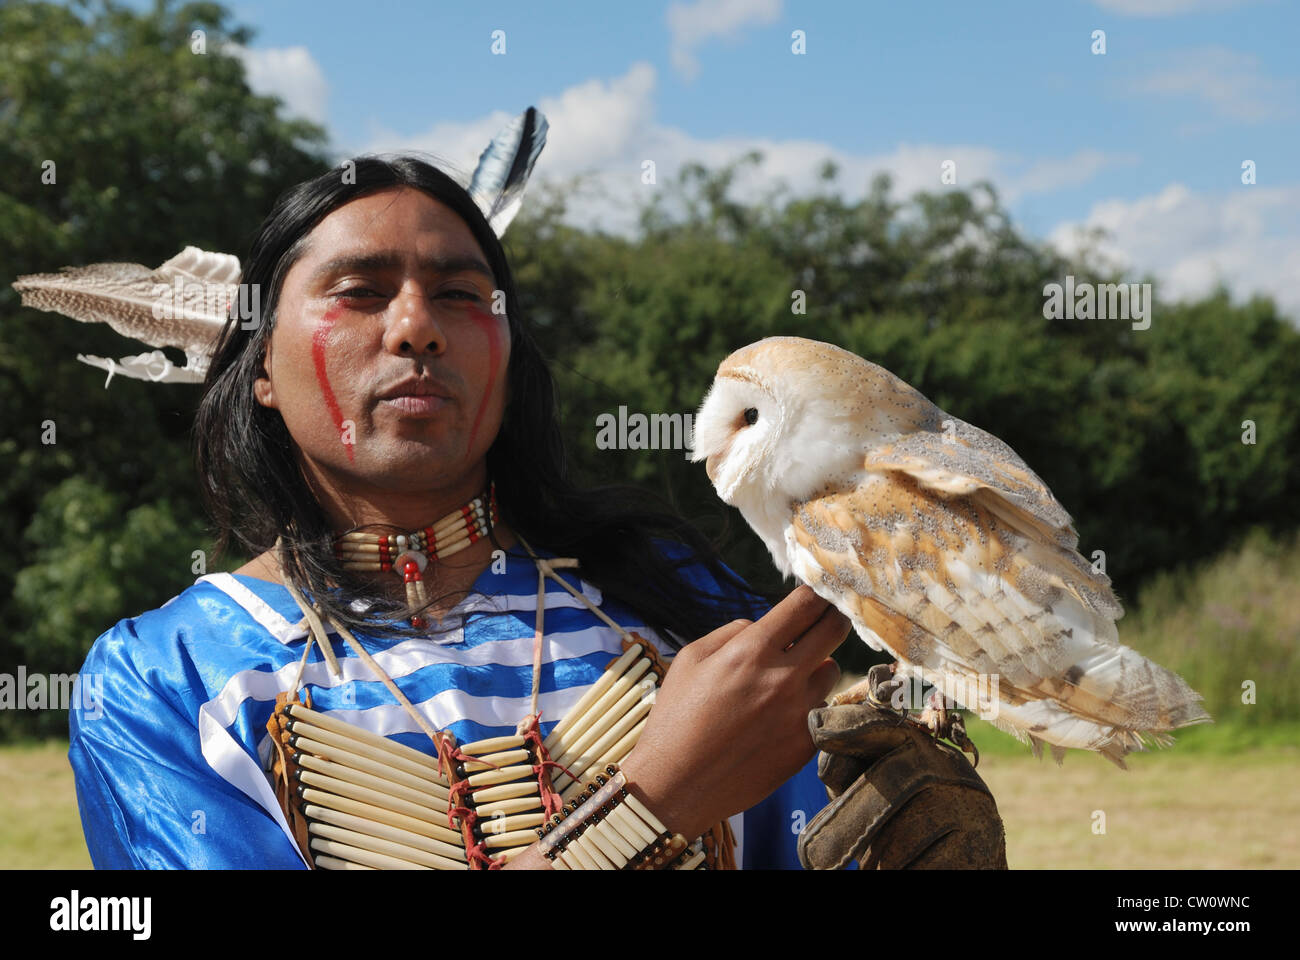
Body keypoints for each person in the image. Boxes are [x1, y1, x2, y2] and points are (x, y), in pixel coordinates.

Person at [67, 155, 849, 870]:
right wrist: (653, 804)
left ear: (507, 357)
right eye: (360, 292)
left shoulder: (685, 609)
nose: (418, 328)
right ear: (262, 363)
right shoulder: (172, 678)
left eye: (460, 295)